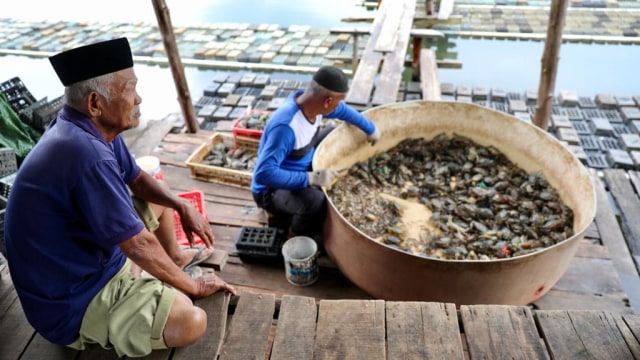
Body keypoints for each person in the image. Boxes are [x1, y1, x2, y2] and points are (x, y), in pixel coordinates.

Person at [4, 37, 236, 358]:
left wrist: (182, 204)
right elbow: (138, 244)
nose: (138, 98)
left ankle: (173, 260)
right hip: (71, 301)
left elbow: (138, 181)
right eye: (129, 90)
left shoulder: (91, 129)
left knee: (157, 195)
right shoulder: (86, 153)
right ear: (96, 104)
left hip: (85, 258)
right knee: (191, 320)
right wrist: (191, 285)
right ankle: (156, 280)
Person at [251, 65, 381, 241]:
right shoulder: (286, 127)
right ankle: (299, 236)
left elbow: (343, 111)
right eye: (337, 101)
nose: (339, 105)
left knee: (333, 134)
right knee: (316, 202)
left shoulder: (311, 103)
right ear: (327, 101)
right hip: (272, 190)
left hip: (301, 157)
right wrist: (311, 179)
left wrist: (370, 129)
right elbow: (263, 174)